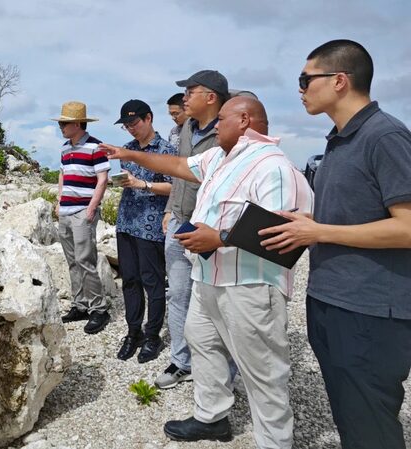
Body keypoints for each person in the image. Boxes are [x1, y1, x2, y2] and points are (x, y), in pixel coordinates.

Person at [100, 96, 314, 448]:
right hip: (208, 279)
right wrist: (129, 155)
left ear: (244, 120)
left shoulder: (273, 167)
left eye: (222, 119)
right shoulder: (220, 158)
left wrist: (219, 238)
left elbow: (285, 234)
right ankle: (212, 417)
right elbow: (178, 165)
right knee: (203, 344)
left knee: (262, 369)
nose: (215, 126)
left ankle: (275, 441)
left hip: (248, 286)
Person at [260, 39, 411, 449]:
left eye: (305, 79)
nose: (300, 89)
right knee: (351, 418)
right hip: (331, 301)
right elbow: (353, 217)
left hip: (370, 312)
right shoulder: (338, 140)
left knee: (370, 427)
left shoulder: (385, 136)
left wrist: (320, 232)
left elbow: (407, 227)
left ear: (339, 80)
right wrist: (310, 224)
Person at [156, 70, 229, 390]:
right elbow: (179, 172)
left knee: (218, 301)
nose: (184, 98)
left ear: (211, 97)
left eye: (190, 92)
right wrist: (170, 209)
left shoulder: (230, 130)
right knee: (178, 295)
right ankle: (181, 362)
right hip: (179, 221)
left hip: (211, 228)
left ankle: (225, 369)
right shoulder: (186, 127)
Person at [111, 99, 176, 362]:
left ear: (149, 118)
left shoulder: (167, 150)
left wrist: (143, 184)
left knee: (153, 281)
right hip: (127, 222)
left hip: (151, 226)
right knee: (130, 281)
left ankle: (153, 336)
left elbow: (175, 187)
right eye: (126, 125)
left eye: (134, 122)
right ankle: (133, 332)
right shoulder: (126, 149)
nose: (130, 128)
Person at [52, 101, 112, 334]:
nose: (60, 127)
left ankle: (99, 309)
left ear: (77, 124)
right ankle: (80, 305)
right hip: (66, 211)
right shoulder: (65, 148)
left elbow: (103, 179)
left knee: (85, 260)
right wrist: (59, 201)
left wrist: (91, 208)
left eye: (64, 123)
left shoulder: (96, 147)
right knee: (72, 261)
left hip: (83, 211)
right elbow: (62, 175)